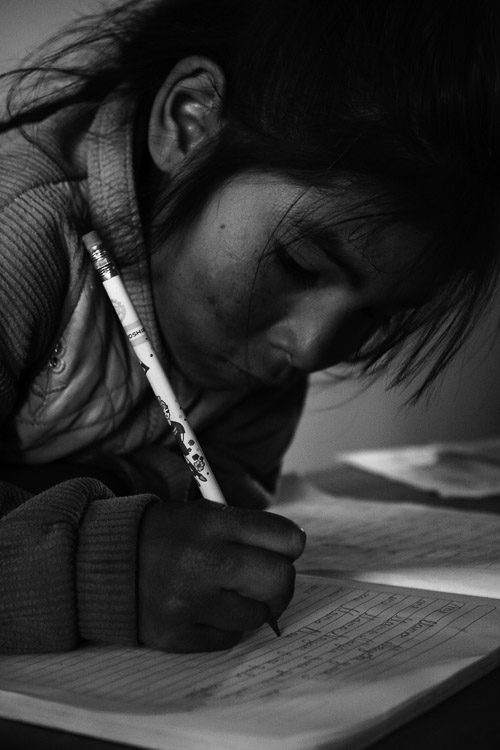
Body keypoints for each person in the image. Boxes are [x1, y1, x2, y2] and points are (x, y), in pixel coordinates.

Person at [0, 0, 499, 655]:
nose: (311, 350)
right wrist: (108, 568)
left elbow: (234, 483)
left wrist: (115, 497)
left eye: (379, 314)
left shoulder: (268, 341)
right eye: (299, 263)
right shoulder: (18, 232)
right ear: (190, 123)